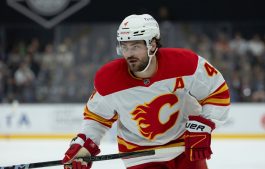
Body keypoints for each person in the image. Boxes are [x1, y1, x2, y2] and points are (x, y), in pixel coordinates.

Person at [62, 14, 230, 169]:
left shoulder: (185, 64)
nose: (129, 54)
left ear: (153, 45)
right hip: (139, 155)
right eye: (125, 47)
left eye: (135, 46)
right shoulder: (109, 79)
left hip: (183, 146)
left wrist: (202, 127)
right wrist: (84, 146)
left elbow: (216, 92)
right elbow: (96, 117)